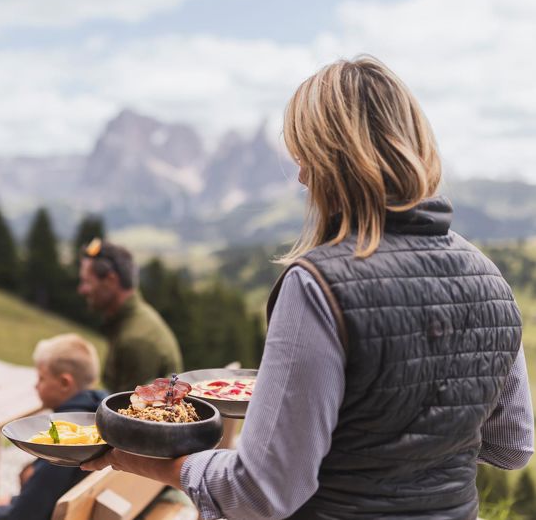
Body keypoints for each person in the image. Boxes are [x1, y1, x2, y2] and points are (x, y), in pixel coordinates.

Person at [84, 56, 534, 519]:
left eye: (304, 156)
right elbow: (512, 446)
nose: (300, 176)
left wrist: (153, 463)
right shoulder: (489, 276)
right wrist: (410, 448)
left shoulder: (317, 285)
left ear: (333, 158)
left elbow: (261, 492)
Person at [0, 334, 107, 520]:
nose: (36, 386)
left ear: (64, 383)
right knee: (2, 500)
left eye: (41, 378)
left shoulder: (65, 437)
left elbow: (25, 515)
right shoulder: (101, 414)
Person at [78, 238, 182, 393]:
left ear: (110, 280)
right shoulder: (130, 322)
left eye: (87, 282)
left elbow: (127, 411)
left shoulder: (135, 340)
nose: (82, 290)